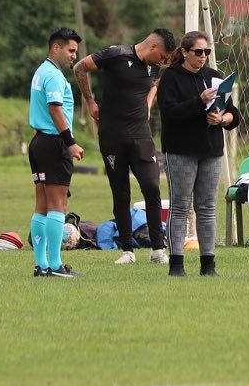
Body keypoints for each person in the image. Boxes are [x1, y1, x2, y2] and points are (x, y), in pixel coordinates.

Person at [74, 29, 177, 265]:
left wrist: (148, 103)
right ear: (152, 47)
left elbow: (154, 84)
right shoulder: (116, 55)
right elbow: (80, 67)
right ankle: (128, 250)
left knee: (152, 187)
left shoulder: (153, 67)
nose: (162, 62)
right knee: (120, 192)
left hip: (141, 136)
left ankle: (158, 249)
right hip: (112, 135)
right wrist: (90, 101)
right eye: (161, 57)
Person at [157, 31, 241, 277]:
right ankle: (177, 264)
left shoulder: (214, 77)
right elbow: (169, 112)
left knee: (206, 207)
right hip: (180, 151)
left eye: (207, 52)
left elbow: (233, 114)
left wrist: (221, 119)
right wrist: (198, 101)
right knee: (181, 206)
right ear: (184, 52)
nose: (203, 56)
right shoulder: (171, 77)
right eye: (198, 52)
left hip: (211, 151)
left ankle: (208, 264)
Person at [27, 28, 85, 278]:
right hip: (53, 143)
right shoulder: (52, 75)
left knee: (42, 205)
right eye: (71, 50)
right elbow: (55, 109)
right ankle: (54, 265)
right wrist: (69, 141)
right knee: (58, 205)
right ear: (56, 48)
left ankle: (41, 264)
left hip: (39, 142)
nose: (73, 56)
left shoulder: (41, 71)